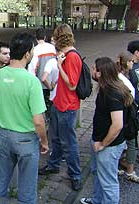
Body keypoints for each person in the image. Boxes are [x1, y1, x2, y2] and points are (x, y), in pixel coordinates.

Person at [0, 32, 48, 204]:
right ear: (27, 53)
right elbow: (38, 120)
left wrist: (1, 131)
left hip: (4, 135)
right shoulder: (32, 81)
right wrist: (44, 141)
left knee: (0, 182)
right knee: (27, 187)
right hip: (27, 139)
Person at [80, 57, 131, 204]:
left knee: (108, 183)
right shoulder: (105, 88)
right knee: (98, 174)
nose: (92, 70)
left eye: (94, 68)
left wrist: (103, 144)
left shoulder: (112, 94)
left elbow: (117, 125)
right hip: (100, 141)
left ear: (100, 73)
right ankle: (97, 200)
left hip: (109, 146)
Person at [39, 24, 83, 191]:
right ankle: (53, 164)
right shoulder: (67, 54)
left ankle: (75, 175)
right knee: (56, 138)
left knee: (68, 142)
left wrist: (58, 65)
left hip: (67, 105)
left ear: (59, 37)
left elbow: (72, 85)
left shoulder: (71, 57)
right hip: (59, 103)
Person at [116, 51, 139, 183]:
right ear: (127, 62)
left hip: (125, 113)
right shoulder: (124, 78)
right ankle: (130, 171)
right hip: (127, 114)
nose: (133, 62)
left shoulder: (121, 75)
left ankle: (118, 167)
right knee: (131, 141)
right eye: (131, 61)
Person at [27, 28, 56, 120]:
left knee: (42, 107)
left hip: (41, 84)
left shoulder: (35, 50)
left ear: (36, 38)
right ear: (45, 37)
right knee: (53, 104)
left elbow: (32, 70)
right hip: (53, 82)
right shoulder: (53, 48)